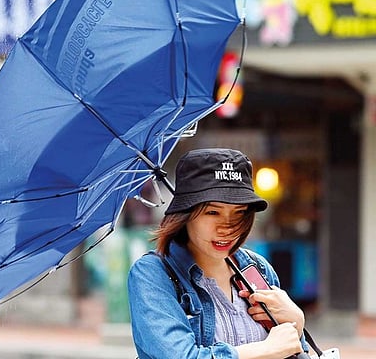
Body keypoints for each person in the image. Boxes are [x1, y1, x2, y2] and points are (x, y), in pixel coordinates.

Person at [128, 148, 308, 359]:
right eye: (212, 212)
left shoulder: (257, 269)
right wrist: (264, 349)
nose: (228, 227)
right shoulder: (153, 274)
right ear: (185, 215)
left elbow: (289, 350)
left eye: (239, 212)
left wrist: (297, 322)